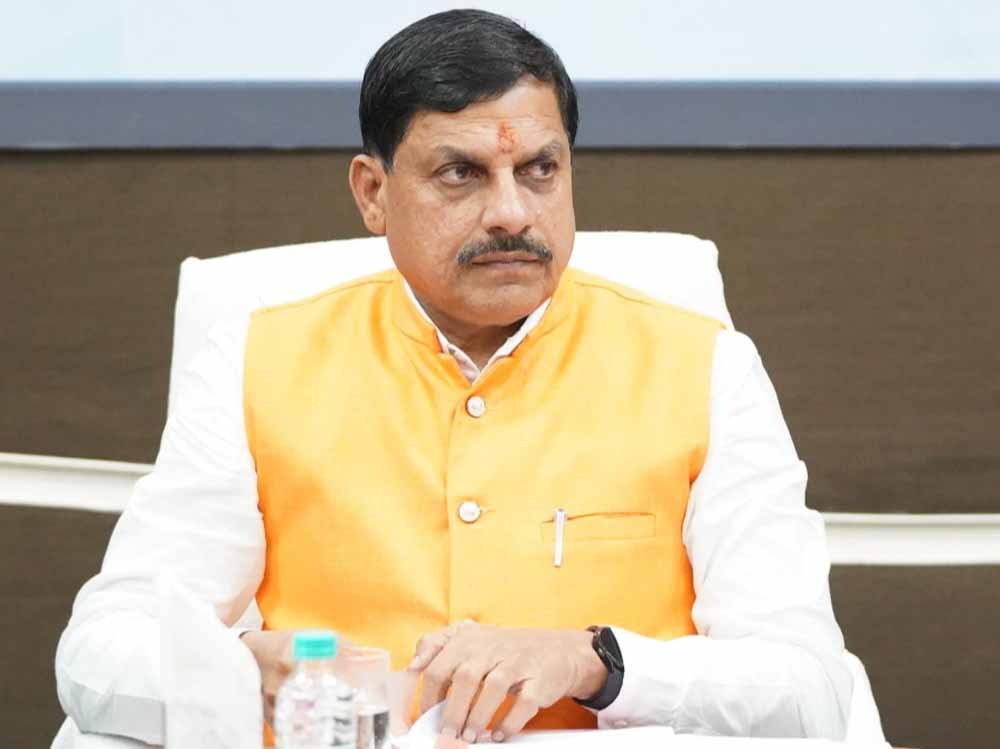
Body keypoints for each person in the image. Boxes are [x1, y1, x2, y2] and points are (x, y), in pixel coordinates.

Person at [55, 9, 852, 746]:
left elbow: (806, 686)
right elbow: (100, 649)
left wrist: (596, 660)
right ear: (373, 194)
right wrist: (236, 675)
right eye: (461, 174)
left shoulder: (703, 367)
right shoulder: (253, 362)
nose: (512, 212)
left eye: (540, 169)